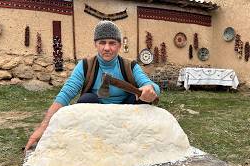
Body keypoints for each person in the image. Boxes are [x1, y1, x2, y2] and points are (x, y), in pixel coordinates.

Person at [24, 20, 160, 150]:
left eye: (112, 43)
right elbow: (65, 94)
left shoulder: (130, 66)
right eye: (102, 42)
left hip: (126, 119)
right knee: (86, 99)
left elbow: (150, 86)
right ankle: (93, 142)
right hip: (97, 121)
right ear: (96, 44)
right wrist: (44, 127)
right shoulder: (85, 65)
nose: (107, 48)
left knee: (140, 100)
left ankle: (133, 141)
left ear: (119, 45)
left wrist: (150, 90)